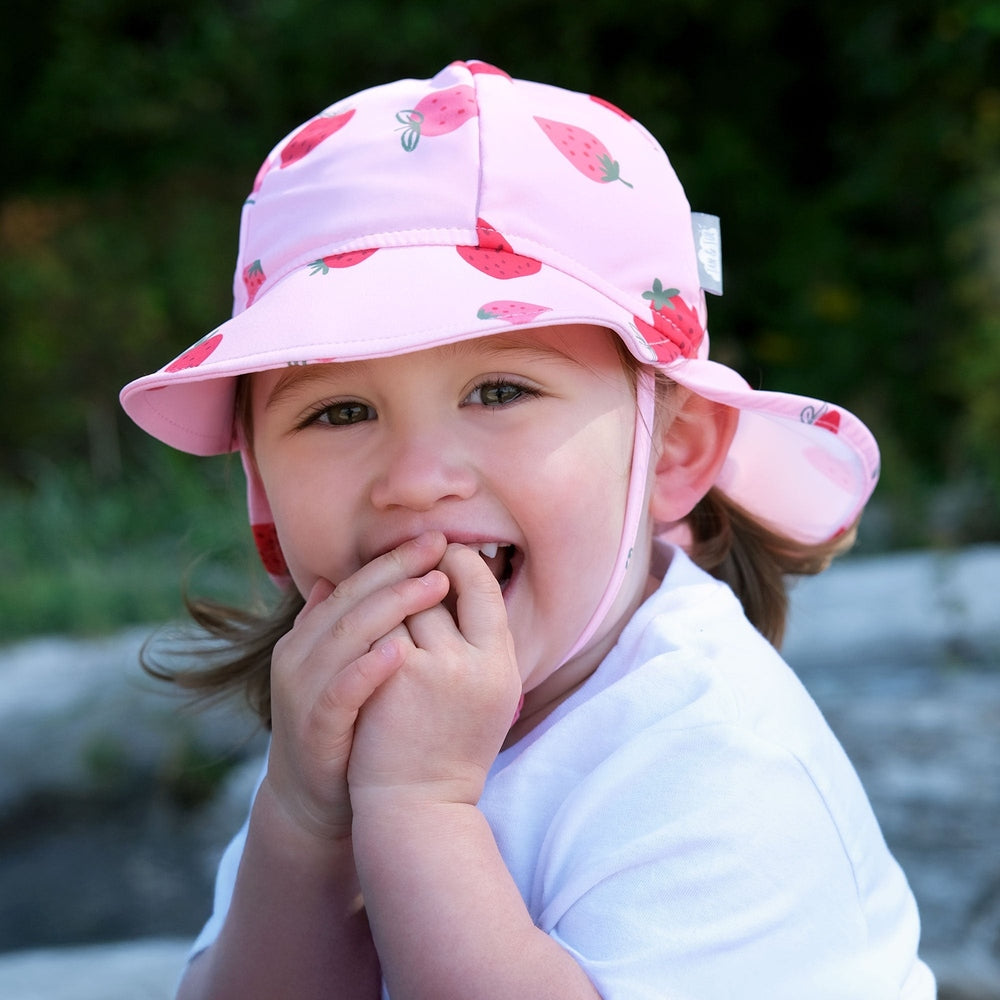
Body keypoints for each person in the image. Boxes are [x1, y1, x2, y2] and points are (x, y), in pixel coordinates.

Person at [120, 60, 935, 999]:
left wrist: (416, 806)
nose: (417, 480)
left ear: (668, 450)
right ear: (258, 474)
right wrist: (305, 824)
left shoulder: (719, 758)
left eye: (499, 390)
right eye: (339, 412)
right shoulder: (347, 723)